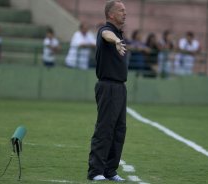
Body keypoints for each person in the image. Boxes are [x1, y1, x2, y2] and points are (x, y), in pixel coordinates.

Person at [88, 0, 127, 181]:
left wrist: (119, 38)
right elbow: (107, 35)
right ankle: (96, 171)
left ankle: (110, 171)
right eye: (121, 10)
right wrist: (117, 40)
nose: (124, 13)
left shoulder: (119, 33)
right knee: (104, 129)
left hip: (120, 87)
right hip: (108, 86)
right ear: (111, 14)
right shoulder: (106, 31)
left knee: (119, 131)